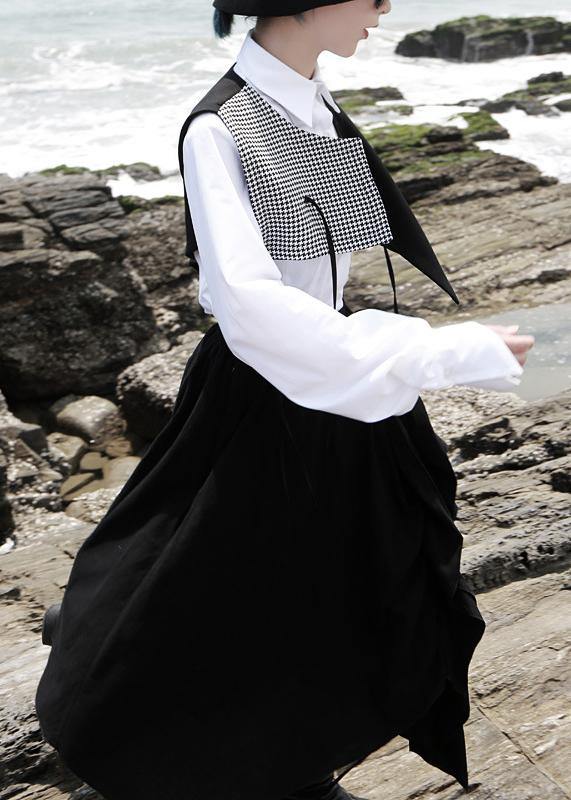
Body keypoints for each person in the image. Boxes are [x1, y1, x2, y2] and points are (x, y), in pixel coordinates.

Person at [34, 3, 535, 800]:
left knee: (333, 581)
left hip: (334, 377)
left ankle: (293, 760)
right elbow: (251, 305)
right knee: (249, 587)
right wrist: (438, 351)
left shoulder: (313, 102)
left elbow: (319, 279)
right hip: (265, 396)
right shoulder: (219, 128)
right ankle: (132, 678)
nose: (384, 7)